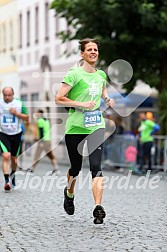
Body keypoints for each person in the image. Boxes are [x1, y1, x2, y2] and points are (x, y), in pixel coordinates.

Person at [55, 38, 115, 224]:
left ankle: (98, 207)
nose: (93, 52)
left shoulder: (101, 75)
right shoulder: (74, 74)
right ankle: (69, 193)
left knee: (96, 167)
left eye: (95, 49)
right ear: (82, 53)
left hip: (96, 125)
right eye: (89, 49)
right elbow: (59, 98)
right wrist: (81, 104)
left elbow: (101, 89)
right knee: (75, 168)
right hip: (75, 127)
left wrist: (107, 99)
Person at [0, 86, 29, 191]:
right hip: (3, 133)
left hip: (16, 134)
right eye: (5, 95)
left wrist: (16, 113)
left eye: (9, 95)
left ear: (13, 94)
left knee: (14, 159)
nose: (7, 97)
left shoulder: (19, 103)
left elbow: (27, 118)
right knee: (6, 156)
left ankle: (13, 174)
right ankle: (7, 181)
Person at [26, 109, 59, 174]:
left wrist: (40, 141)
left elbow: (41, 131)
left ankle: (31, 169)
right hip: (48, 140)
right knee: (50, 155)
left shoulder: (40, 121)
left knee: (37, 155)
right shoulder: (47, 121)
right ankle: (56, 168)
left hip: (43, 141)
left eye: (37, 113)